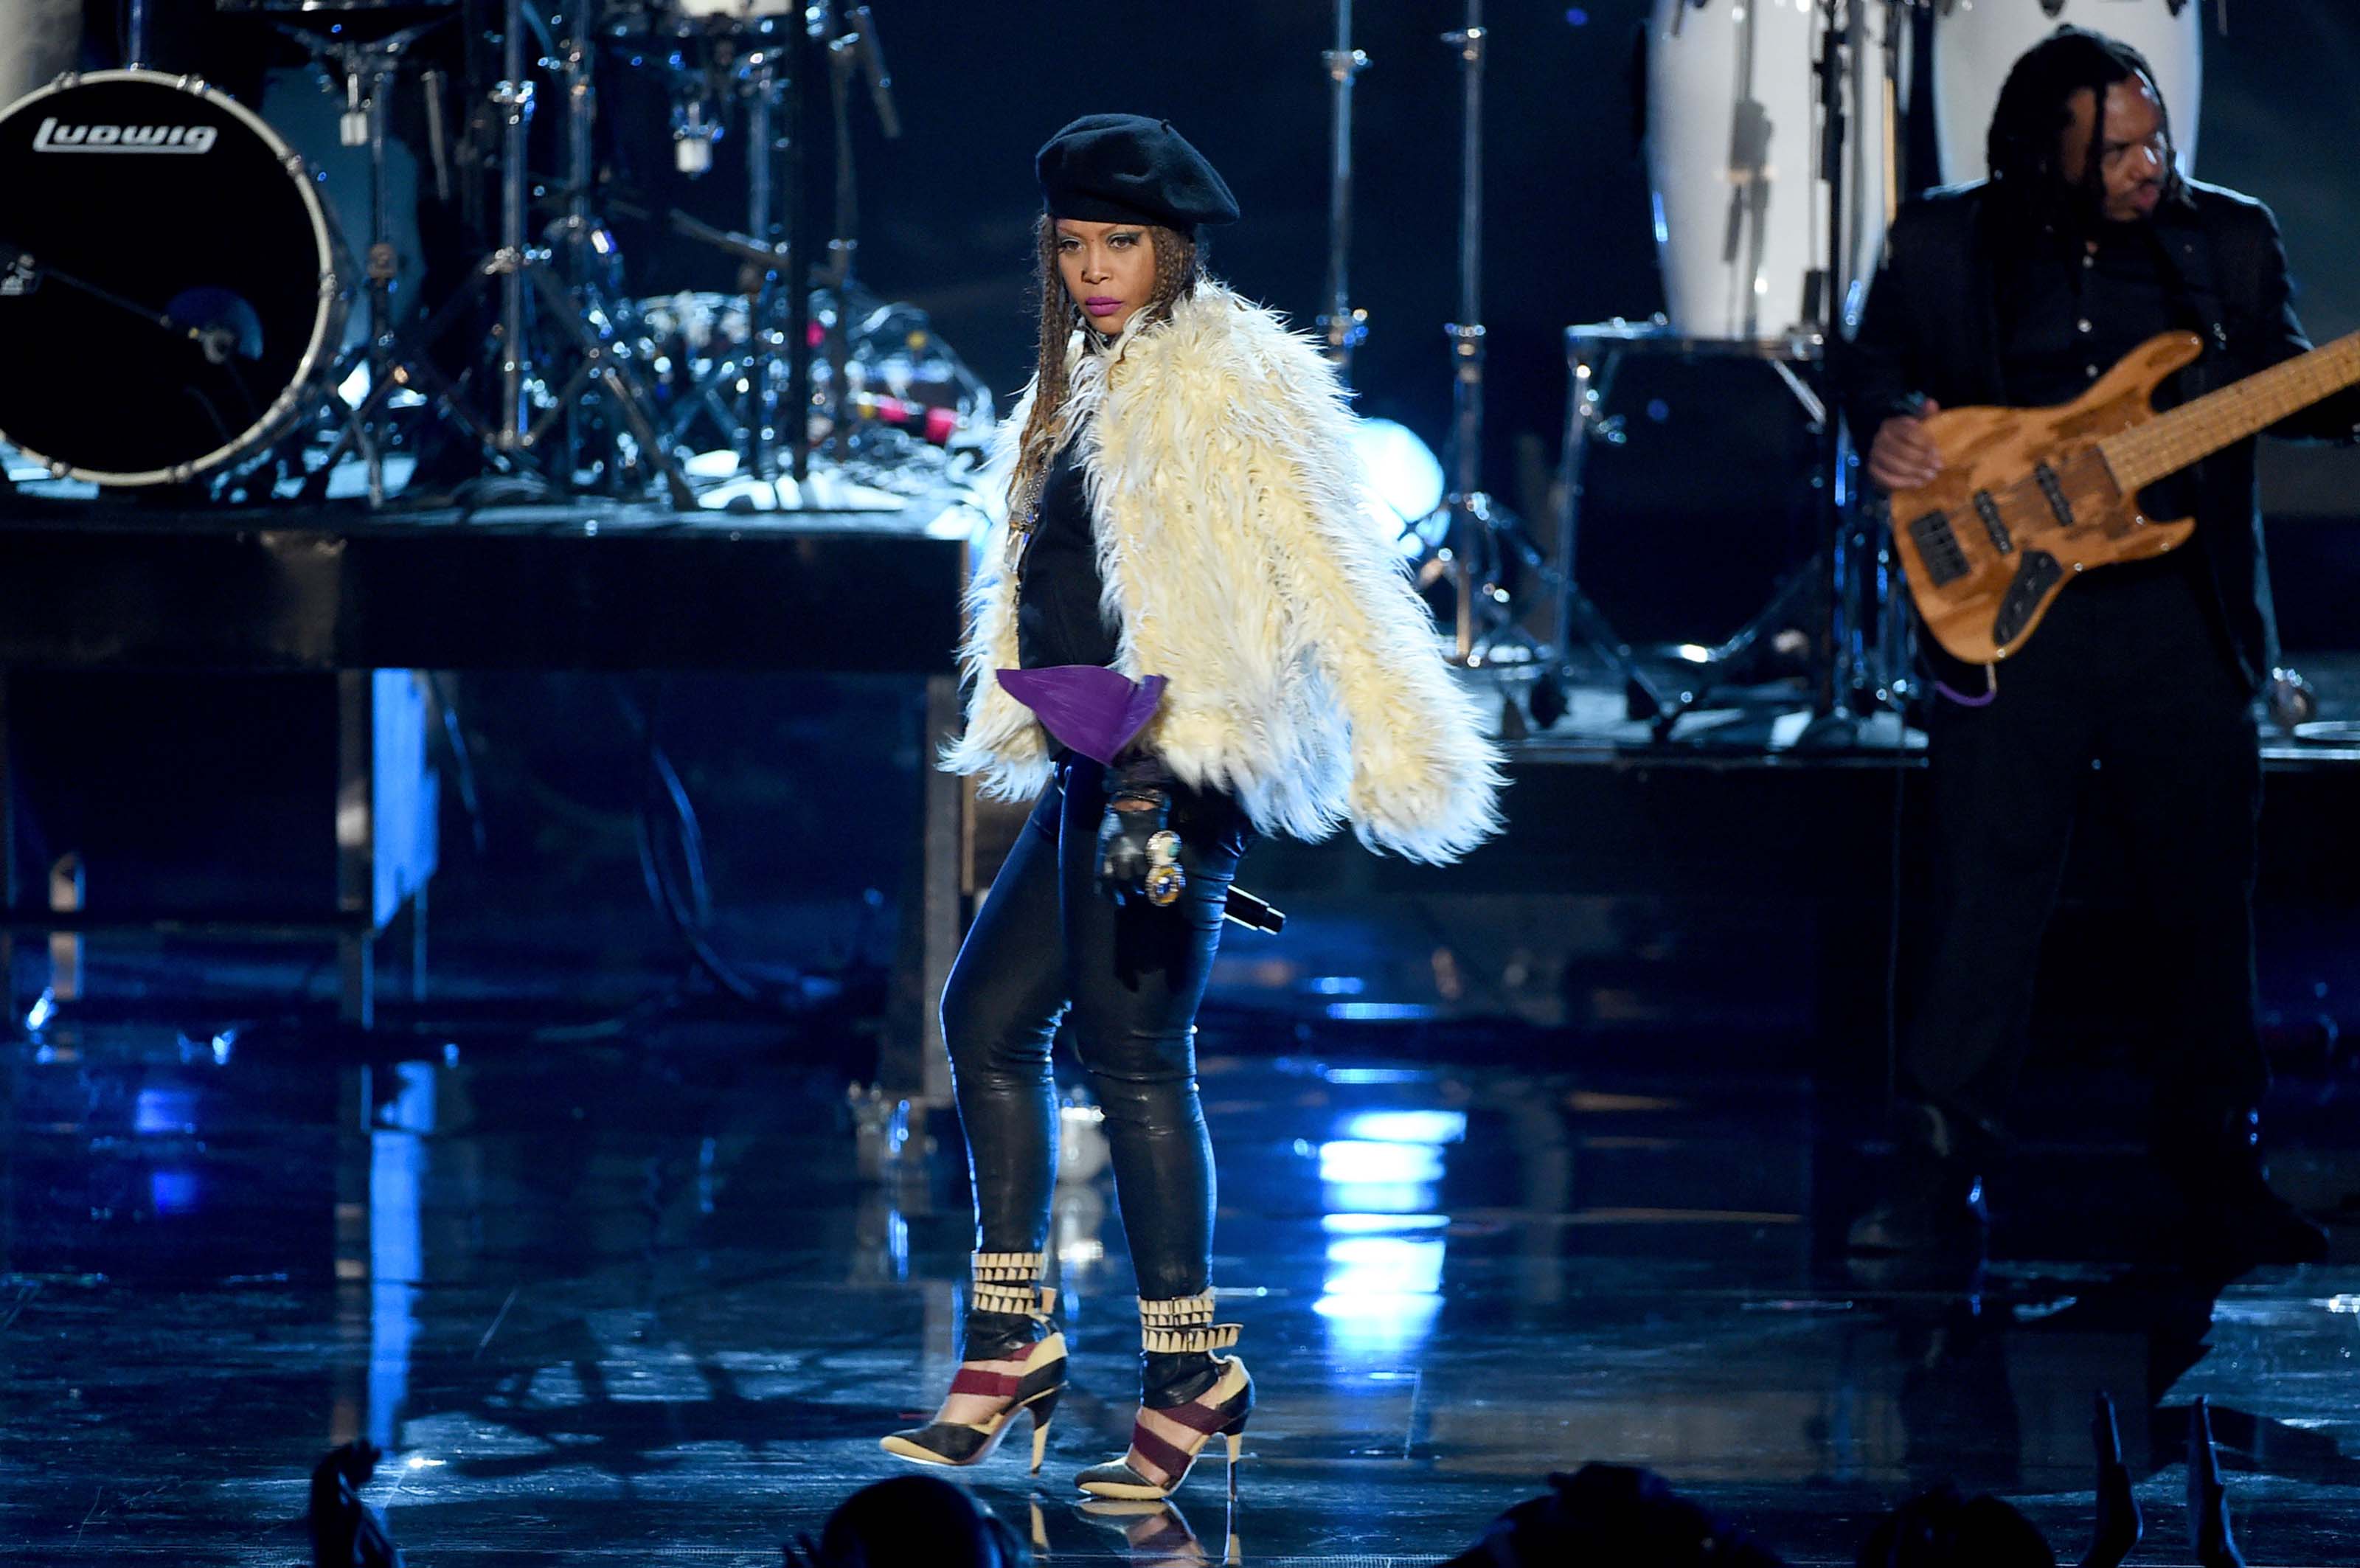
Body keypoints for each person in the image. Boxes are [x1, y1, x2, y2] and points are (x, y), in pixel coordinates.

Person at [880, 113, 1502, 1497]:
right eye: (1072, 246)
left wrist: (1400, 739)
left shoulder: (1235, 374)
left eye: (1120, 245)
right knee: (986, 1018)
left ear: (1173, 248)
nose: (1094, 269)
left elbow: (1332, 565)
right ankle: (1010, 1337)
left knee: (1132, 1052)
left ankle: (1189, 1372)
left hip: (1177, 761)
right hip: (1098, 749)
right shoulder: (1075, 373)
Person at [1837, 27, 2360, 1263]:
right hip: (2011, 621)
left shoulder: (2224, 241)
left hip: (2179, 620)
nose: (2146, 165)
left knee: (2199, 910)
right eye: (2116, 149)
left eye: (2154, 138)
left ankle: (2217, 1172)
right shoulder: (1944, 240)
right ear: (2044, 155)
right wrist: (1882, 428)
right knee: (1982, 903)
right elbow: (1870, 363)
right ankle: (1938, 1172)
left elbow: (2284, 381)